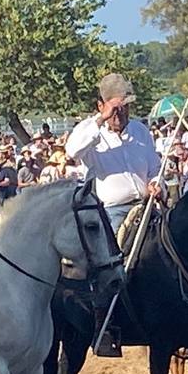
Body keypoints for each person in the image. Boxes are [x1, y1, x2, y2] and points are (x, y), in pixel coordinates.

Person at [65, 72, 162, 356]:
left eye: (126, 107)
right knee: (111, 265)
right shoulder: (91, 134)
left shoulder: (141, 132)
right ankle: (106, 326)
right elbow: (72, 150)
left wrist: (157, 183)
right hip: (111, 212)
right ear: (102, 105)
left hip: (147, 204)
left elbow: (155, 167)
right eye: (116, 108)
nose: (121, 114)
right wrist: (101, 119)